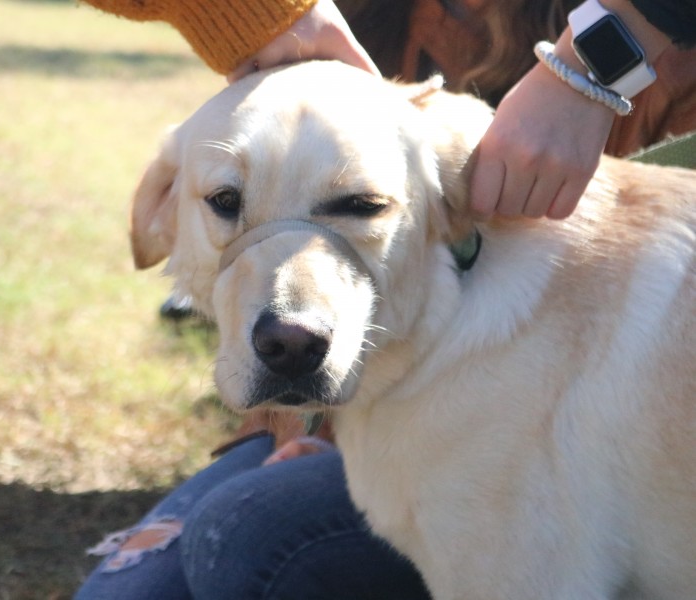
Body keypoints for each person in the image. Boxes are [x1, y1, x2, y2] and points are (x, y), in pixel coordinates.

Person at [75, 0, 696, 598]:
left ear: (450, 209)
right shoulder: (333, 24)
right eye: (227, 203)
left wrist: (585, 75)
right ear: (162, 211)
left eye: (362, 205)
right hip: (358, 410)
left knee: (244, 537)